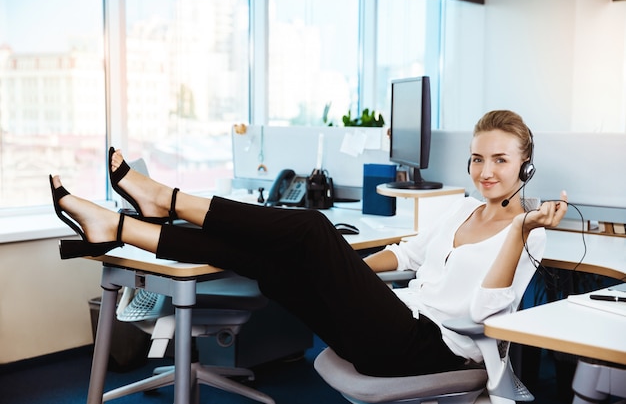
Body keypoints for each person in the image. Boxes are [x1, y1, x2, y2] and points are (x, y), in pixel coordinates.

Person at [49, 110, 567, 378]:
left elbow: (483, 314)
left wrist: (519, 232)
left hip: (430, 348)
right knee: (271, 261)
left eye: (500, 160)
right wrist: (341, 273)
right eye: (478, 159)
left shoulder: (532, 233)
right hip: (390, 320)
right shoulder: (460, 207)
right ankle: (119, 229)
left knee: (313, 230)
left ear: (526, 164)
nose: (486, 171)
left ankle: (165, 198)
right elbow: (407, 256)